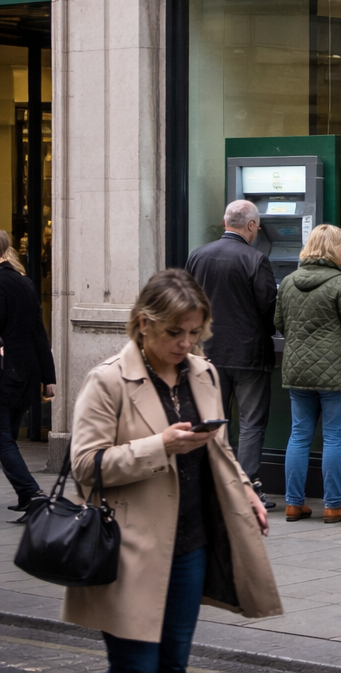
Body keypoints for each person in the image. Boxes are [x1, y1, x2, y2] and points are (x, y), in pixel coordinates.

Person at [64, 269, 281, 672]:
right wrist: (160, 446)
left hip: (190, 546)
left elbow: (219, 449)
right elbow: (85, 466)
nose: (186, 343)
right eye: (175, 332)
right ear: (144, 324)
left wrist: (245, 489)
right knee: (136, 666)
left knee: (174, 664)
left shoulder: (204, 373)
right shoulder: (108, 380)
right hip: (129, 549)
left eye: (195, 332)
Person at [276, 224, 341, 524]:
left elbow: (279, 323)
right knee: (333, 439)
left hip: (298, 369)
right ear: (332, 249)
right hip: (335, 371)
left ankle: (293, 504)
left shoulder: (288, 282)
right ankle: (333, 505)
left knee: (299, 436)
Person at [184, 200, 279, 509]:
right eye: (257, 226)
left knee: (212, 421)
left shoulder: (197, 256)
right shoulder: (255, 259)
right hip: (249, 354)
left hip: (207, 352)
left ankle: (212, 485)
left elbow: (186, 301)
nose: (258, 231)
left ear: (225, 222)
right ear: (250, 226)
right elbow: (268, 307)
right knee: (251, 422)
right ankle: (245, 488)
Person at [0, 231, 54, 517]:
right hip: (26, 374)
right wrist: (49, 377)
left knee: (3, 439)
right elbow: (38, 332)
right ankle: (26, 495)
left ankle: (32, 493)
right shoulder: (25, 282)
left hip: (7, 374)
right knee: (6, 436)